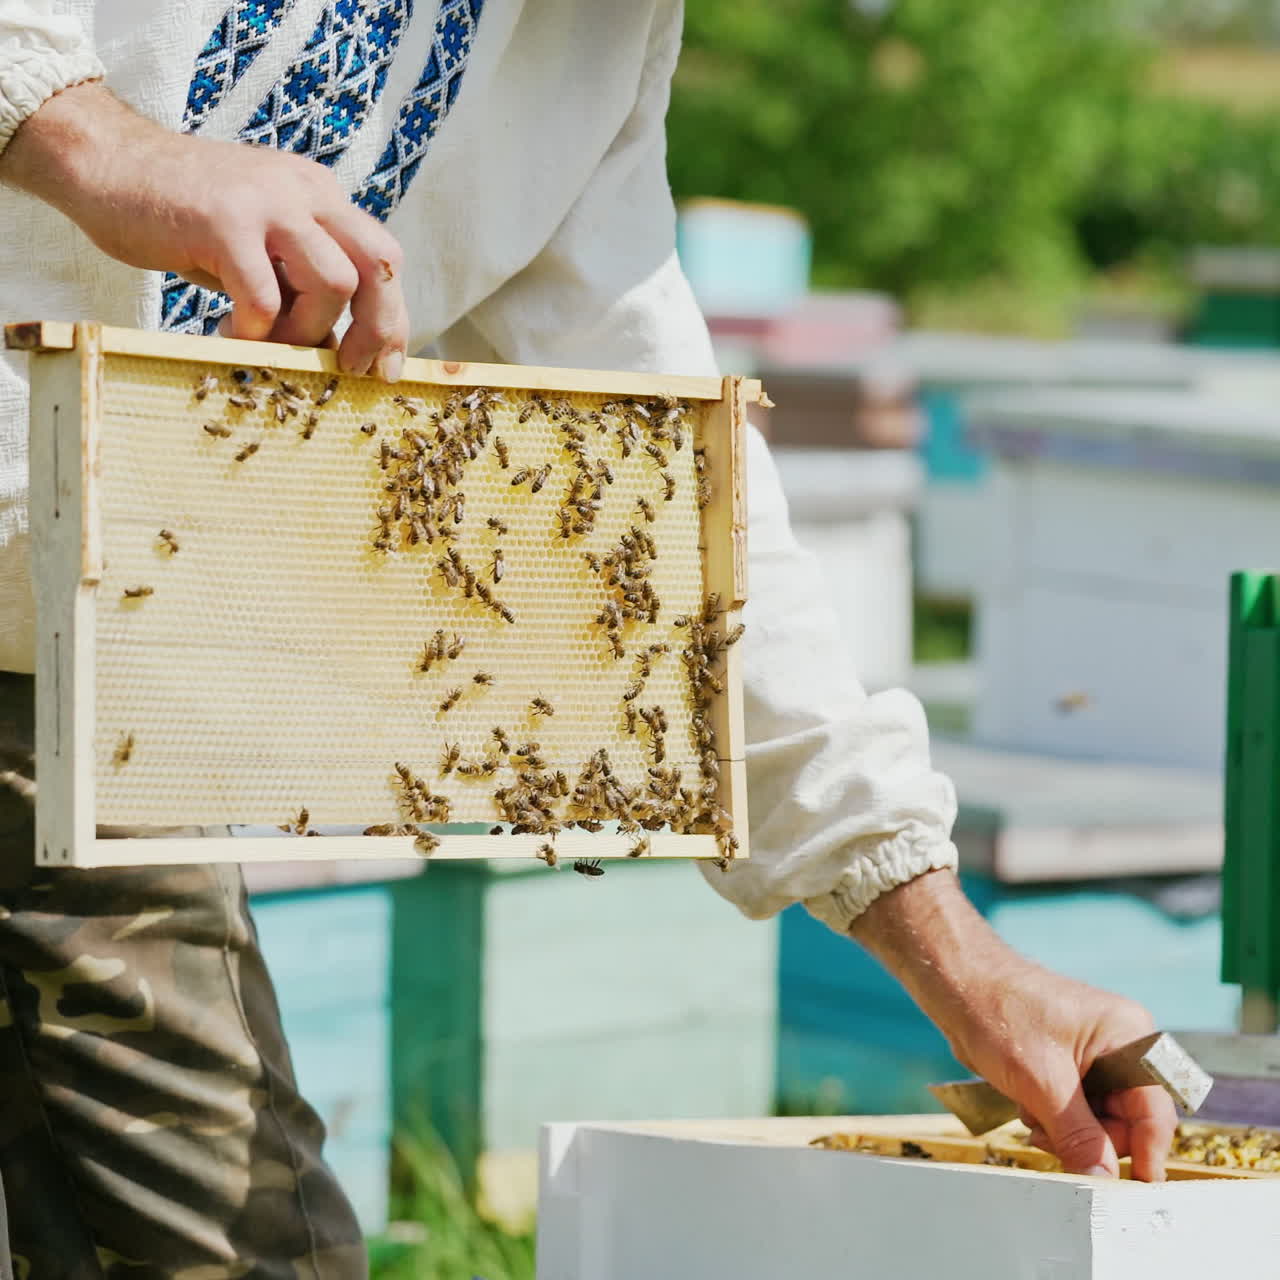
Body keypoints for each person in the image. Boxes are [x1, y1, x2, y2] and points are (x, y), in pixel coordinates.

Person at [0, 1, 1174, 1274]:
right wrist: (83, 131)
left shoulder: (591, 53)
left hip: (64, 668)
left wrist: (963, 961)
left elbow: (684, 538)